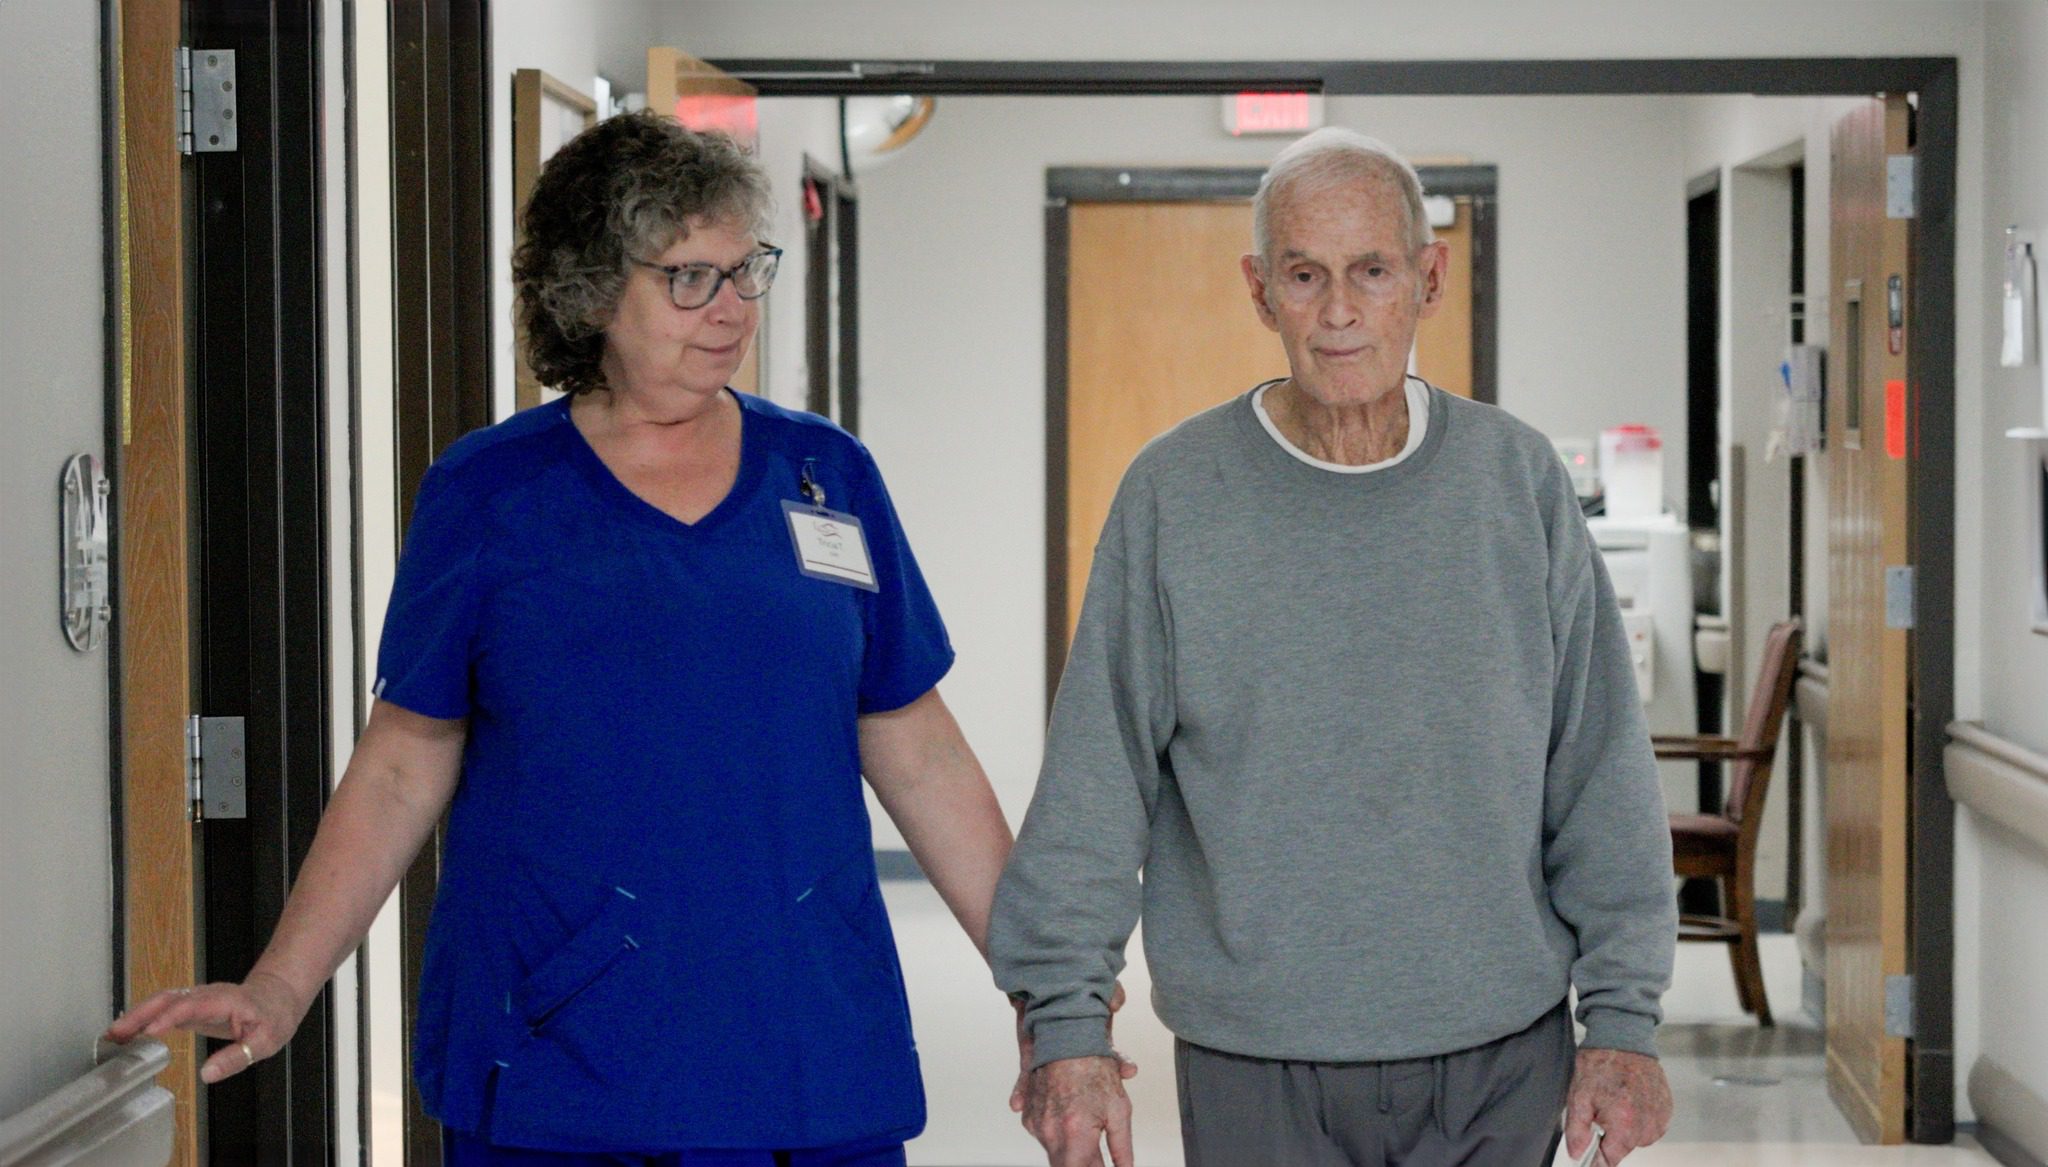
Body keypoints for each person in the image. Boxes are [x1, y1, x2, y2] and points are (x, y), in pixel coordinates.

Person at [106, 112, 1017, 1167]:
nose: (729, 310)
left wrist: (1045, 990)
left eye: (743, 272)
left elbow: (917, 746)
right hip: (561, 1035)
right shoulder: (492, 494)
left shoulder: (824, 476)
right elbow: (404, 760)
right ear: (589, 292)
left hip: (798, 1032)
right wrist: (281, 982)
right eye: (687, 279)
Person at [990, 127, 1678, 1167]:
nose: (1340, 312)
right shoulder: (1174, 496)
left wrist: (1620, 1023)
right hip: (1254, 1054)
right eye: (1305, 276)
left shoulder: (1515, 482)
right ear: (1260, 291)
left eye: (1371, 271)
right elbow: (1096, 780)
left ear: (1428, 276)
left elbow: (1597, 772)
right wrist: (1065, 1027)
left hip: (1496, 1046)